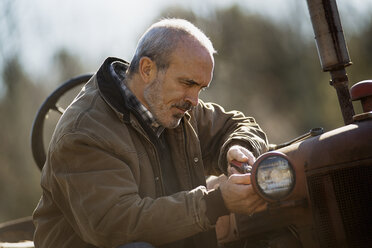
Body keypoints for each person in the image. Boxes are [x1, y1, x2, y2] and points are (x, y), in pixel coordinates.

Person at [33, 18, 268, 248]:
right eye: (187, 83)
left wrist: (238, 147)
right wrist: (215, 203)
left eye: (201, 88)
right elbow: (116, 224)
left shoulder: (177, 108)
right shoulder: (84, 132)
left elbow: (238, 125)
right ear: (147, 69)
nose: (195, 101)